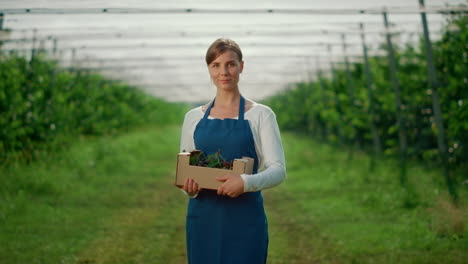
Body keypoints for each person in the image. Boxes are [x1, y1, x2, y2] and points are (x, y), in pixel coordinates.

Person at [179, 38, 286, 264]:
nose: (223, 72)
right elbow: (186, 169)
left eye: (231, 64)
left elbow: (278, 171)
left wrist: (245, 183)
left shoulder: (261, 115)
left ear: (241, 67)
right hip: (203, 218)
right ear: (209, 69)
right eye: (216, 65)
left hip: (245, 217)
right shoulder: (193, 118)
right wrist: (189, 189)